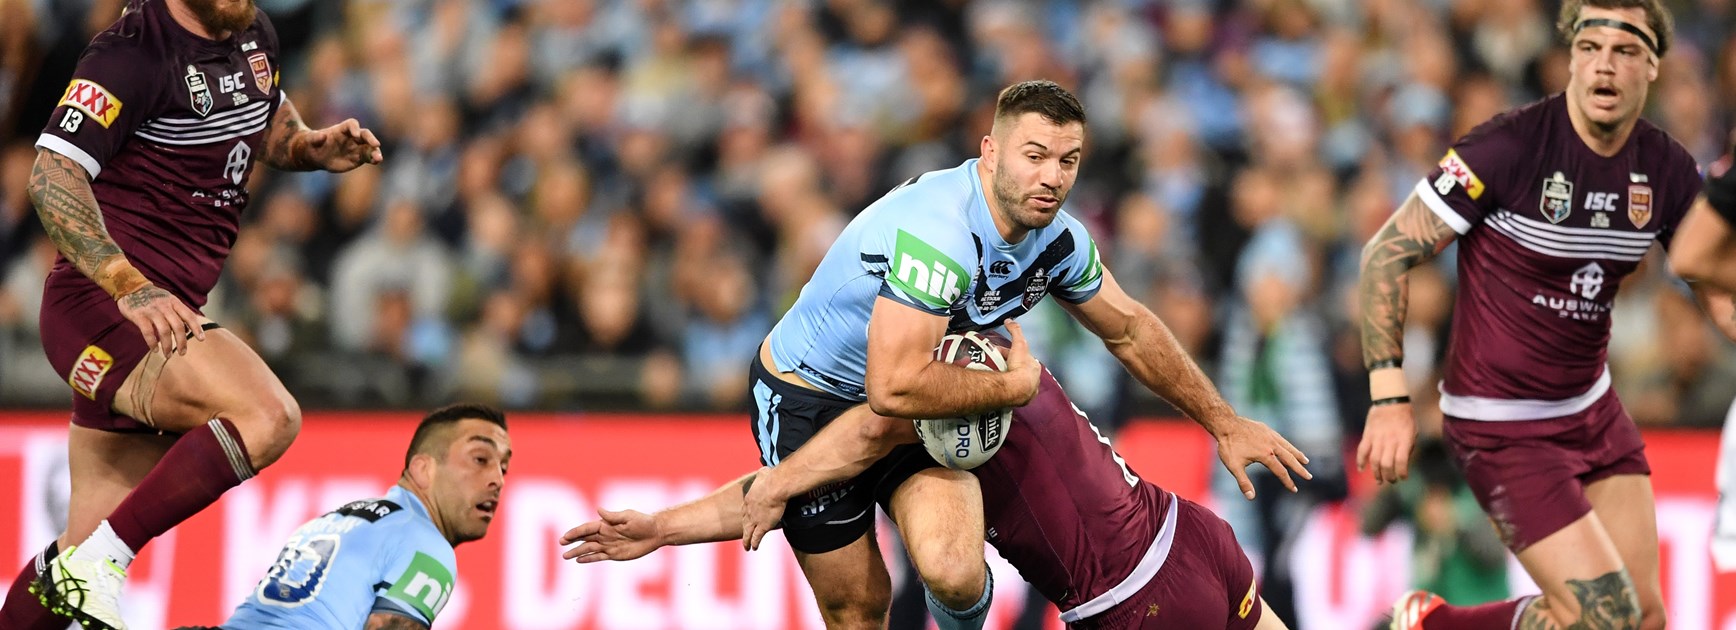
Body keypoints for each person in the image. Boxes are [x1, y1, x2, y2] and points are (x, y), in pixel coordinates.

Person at [735, 79, 1306, 629]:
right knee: (857, 608)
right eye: (1035, 156)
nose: (1052, 177)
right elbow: (893, 388)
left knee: (953, 572)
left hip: (910, 395)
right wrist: (1011, 388)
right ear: (990, 152)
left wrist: (1224, 422)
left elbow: (1130, 330)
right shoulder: (942, 234)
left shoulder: (1057, 239)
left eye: (1068, 161)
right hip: (811, 392)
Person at [0, 0, 383, 628]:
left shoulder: (251, 29)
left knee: (72, 558)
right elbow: (51, 173)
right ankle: (106, 559)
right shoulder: (131, 52)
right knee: (269, 416)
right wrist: (129, 285)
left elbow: (261, 113)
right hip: (109, 307)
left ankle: (84, 566)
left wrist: (307, 145)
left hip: (160, 309)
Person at [1354, 1, 1735, 628]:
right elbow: (1386, 254)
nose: (1603, 66)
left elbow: (1713, 279)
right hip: (1499, 424)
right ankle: (1430, 625)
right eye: (1589, 49)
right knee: (1602, 617)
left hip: (1591, 411)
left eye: (1624, 51)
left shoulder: (1664, 168)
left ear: (1652, 66)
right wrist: (1389, 397)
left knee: (1644, 619)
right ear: (1570, 59)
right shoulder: (1508, 146)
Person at [562, 364, 1292, 630]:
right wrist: (661, 528)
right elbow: (785, 489)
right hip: (1190, 532)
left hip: (1129, 602)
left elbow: (806, 472)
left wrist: (667, 526)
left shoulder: (921, 400)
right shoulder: (1000, 348)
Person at [210, 403, 509, 630]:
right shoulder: (429, 547)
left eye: (504, 468)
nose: (498, 480)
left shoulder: (334, 520)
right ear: (423, 469)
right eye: (480, 459)